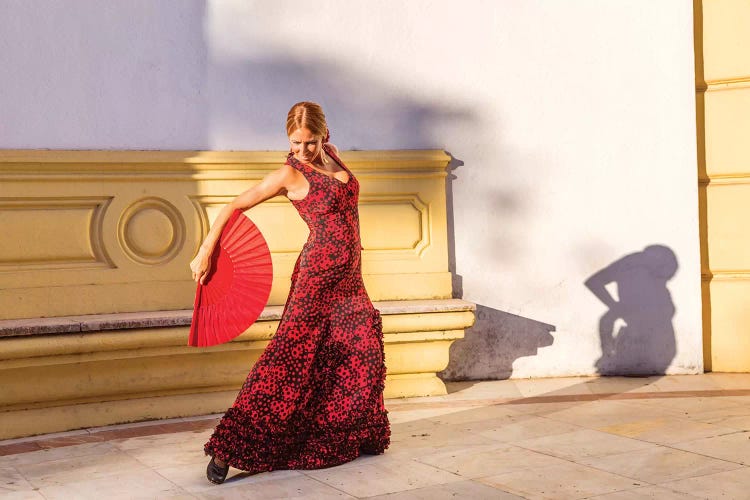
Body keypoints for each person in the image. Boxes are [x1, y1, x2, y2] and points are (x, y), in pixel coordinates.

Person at [189, 101, 391, 484]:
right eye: (295, 143)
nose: (302, 151)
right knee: (288, 358)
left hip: (349, 279)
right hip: (316, 279)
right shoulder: (289, 174)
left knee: (361, 349)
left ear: (324, 134)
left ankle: (349, 432)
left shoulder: (333, 156)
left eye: (309, 142)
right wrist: (206, 249)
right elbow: (236, 204)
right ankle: (226, 451)